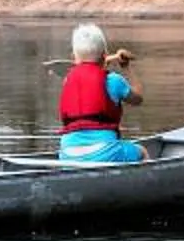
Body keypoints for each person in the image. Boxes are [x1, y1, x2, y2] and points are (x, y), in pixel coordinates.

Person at [56, 22, 144, 163]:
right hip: (105, 152)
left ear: (74, 56)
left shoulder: (67, 80)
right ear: (104, 55)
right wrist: (127, 67)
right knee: (142, 151)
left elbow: (91, 73)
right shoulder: (114, 81)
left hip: (67, 154)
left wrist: (106, 60)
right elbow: (138, 98)